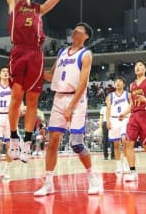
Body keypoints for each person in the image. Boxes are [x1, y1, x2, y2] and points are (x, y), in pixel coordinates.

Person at [2, 0, 63, 163]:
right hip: (19, 51)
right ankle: (14, 138)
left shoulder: (38, 9)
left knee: (33, 101)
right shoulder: (13, 3)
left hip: (36, 54)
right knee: (16, 96)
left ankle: (27, 141)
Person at [34, 22, 102, 196]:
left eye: (78, 31)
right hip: (59, 97)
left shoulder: (86, 54)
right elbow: (50, 75)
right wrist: (34, 68)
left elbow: (83, 83)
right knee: (52, 141)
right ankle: (48, 183)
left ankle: (93, 178)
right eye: (74, 30)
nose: (74, 32)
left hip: (76, 99)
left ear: (86, 36)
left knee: (76, 143)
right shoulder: (62, 52)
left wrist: (71, 107)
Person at [119, 60, 146, 182]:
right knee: (128, 143)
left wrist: (145, 100)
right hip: (134, 116)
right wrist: (124, 113)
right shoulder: (132, 85)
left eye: (140, 66)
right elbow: (132, 104)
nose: (137, 68)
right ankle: (133, 172)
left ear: (145, 69)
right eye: (136, 66)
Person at [106, 76, 131, 174]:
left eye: (120, 81)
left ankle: (125, 163)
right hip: (114, 119)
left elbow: (132, 106)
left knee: (124, 141)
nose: (118, 83)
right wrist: (107, 120)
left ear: (124, 84)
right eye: (116, 81)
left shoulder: (128, 95)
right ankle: (118, 166)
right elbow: (108, 109)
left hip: (124, 119)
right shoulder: (110, 96)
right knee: (115, 145)